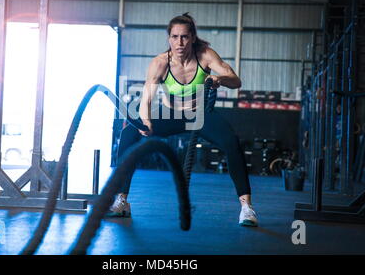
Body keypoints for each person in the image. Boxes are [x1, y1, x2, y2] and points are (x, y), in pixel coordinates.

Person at [108, 13, 258, 227]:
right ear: (169, 38)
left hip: (200, 114)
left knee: (231, 142)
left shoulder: (205, 55)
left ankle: (246, 207)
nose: (180, 42)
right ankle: (121, 201)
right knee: (128, 133)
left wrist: (220, 79)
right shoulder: (160, 62)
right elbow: (147, 96)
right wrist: (146, 120)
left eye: (185, 37)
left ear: (193, 38)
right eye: (175, 37)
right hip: (169, 113)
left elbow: (236, 81)